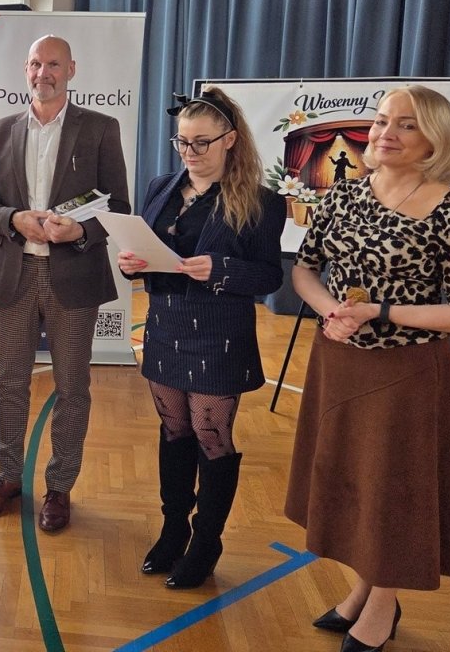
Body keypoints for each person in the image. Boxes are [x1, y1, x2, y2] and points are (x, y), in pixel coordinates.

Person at [284, 85, 450, 652]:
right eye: (380, 121)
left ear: (434, 140)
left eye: (406, 125)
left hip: (406, 372)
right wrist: (331, 311)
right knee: (352, 483)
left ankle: (380, 606)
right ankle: (364, 591)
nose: (385, 134)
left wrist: (379, 310)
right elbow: (304, 269)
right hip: (339, 360)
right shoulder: (344, 195)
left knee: (392, 492)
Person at [116, 87, 286, 588]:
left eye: (201, 142)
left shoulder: (261, 201)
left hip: (218, 332)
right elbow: (145, 252)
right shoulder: (160, 187)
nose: (189, 152)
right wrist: (130, 264)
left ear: (230, 139)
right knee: (174, 431)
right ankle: (174, 530)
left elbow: (270, 277)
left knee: (211, 436)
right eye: (182, 142)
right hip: (165, 325)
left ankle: (206, 541)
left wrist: (221, 269)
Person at [0, 35, 130, 532]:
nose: (44, 73)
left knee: (72, 387)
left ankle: (60, 486)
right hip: (16, 274)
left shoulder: (100, 129)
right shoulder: (0, 131)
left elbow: (118, 207)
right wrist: (14, 219)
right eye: (36, 64)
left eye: (54, 64)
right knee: (9, 383)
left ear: (71, 70)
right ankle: (7, 478)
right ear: (26, 69)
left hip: (73, 277)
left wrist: (81, 231)